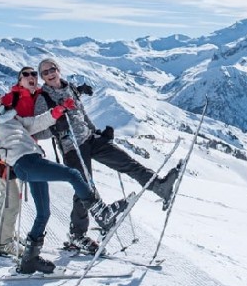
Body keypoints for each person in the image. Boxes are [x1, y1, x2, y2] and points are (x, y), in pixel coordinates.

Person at [0, 87, 129, 274]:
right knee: (73, 175)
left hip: (35, 161)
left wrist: (59, 110)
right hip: (24, 164)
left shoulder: (11, 117)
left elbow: (36, 123)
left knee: (44, 213)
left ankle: (29, 260)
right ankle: (101, 213)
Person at [34, 58, 180, 254]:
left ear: (58, 70)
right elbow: (38, 128)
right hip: (71, 147)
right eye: (45, 72)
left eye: (52, 69)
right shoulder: (43, 97)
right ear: (42, 77)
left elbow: (82, 114)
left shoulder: (69, 88)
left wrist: (97, 132)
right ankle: (77, 235)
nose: (50, 73)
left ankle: (159, 187)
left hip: (89, 139)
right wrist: (54, 127)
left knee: (126, 162)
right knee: (84, 188)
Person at [0, 66, 42, 257]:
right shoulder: (9, 99)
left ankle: (2, 234)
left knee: (9, 197)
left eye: (33, 74)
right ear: (19, 80)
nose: (30, 77)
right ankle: (3, 243)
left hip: (25, 154)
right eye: (25, 75)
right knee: (11, 198)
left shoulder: (39, 95)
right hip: (6, 157)